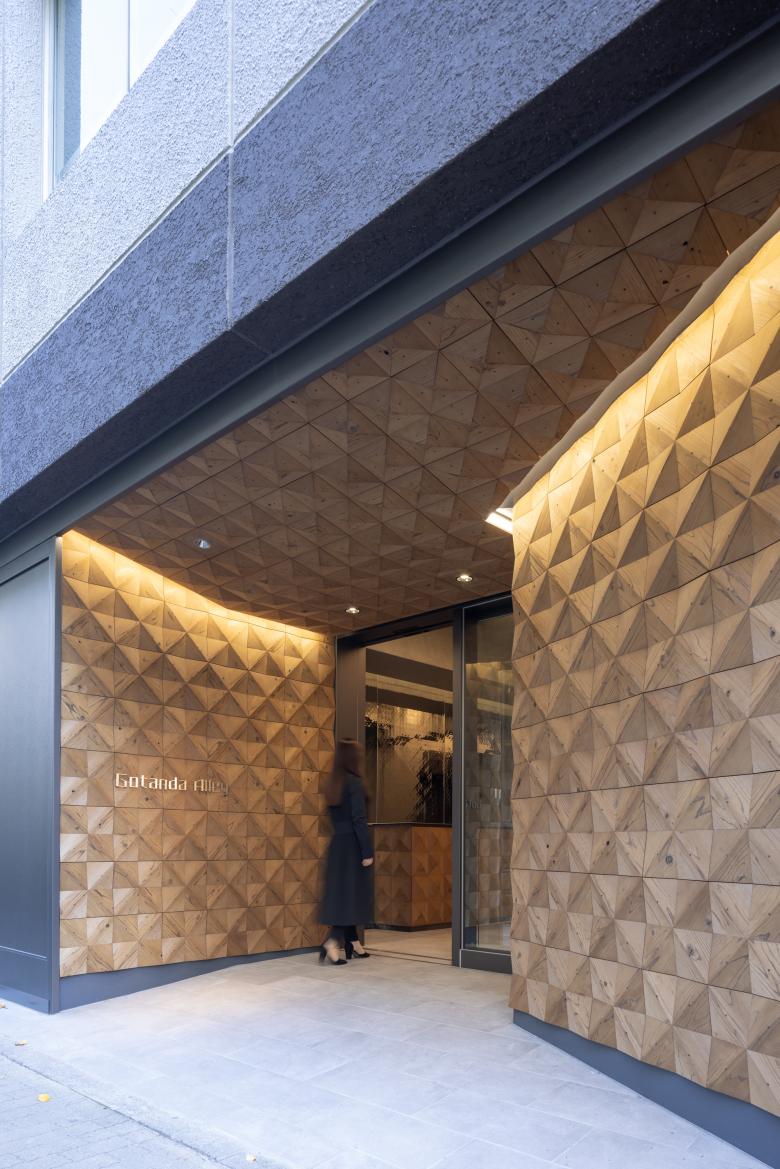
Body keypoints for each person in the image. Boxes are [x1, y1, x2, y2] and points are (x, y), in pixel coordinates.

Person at [319, 739, 374, 965]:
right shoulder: (355, 783)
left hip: (338, 845)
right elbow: (359, 819)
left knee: (344, 893)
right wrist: (366, 851)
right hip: (353, 846)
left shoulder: (333, 784)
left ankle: (353, 942)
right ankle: (333, 941)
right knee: (353, 896)